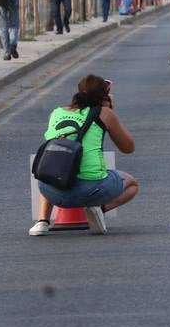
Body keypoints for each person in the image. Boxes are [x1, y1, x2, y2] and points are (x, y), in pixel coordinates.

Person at [28, 74, 139, 236]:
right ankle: (99, 210)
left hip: (50, 191)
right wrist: (110, 111)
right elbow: (128, 148)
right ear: (104, 96)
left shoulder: (56, 113)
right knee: (132, 184)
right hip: (91, 191)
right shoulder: (105, 113)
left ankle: (42, 221)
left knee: (52, 167)